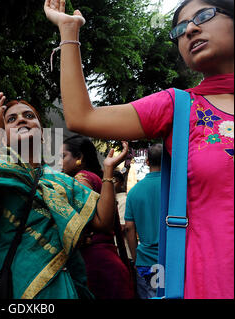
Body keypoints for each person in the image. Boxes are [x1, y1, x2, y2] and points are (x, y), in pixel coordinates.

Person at [44, 0, 234, 298]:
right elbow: (82, 117)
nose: (190, 30)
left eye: (205, 15)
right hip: (211, 282)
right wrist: (69, 32)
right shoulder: (179, 107)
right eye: (180, 30)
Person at [0, 92, 127, 299]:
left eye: (29, 116)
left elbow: (102, 222)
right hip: (14, 284)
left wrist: (107, 172)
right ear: (4, 135)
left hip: (59, 285)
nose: (22, 119)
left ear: (42, 133)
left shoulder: (60, 181)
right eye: (11, 119)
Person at [60, 135, 135, 299]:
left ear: (79, 157)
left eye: (63, 156)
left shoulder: (81, 179)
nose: (60, 163)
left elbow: (85, 224)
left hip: (95, 264)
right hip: (106, 262)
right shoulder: (96, 178)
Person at [125, 144, 163, 299]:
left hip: (146, 261)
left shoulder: (134, 192)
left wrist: (135, 258)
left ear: (147, 162)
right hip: (173, 258)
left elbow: (129, 228)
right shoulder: (176, 190)